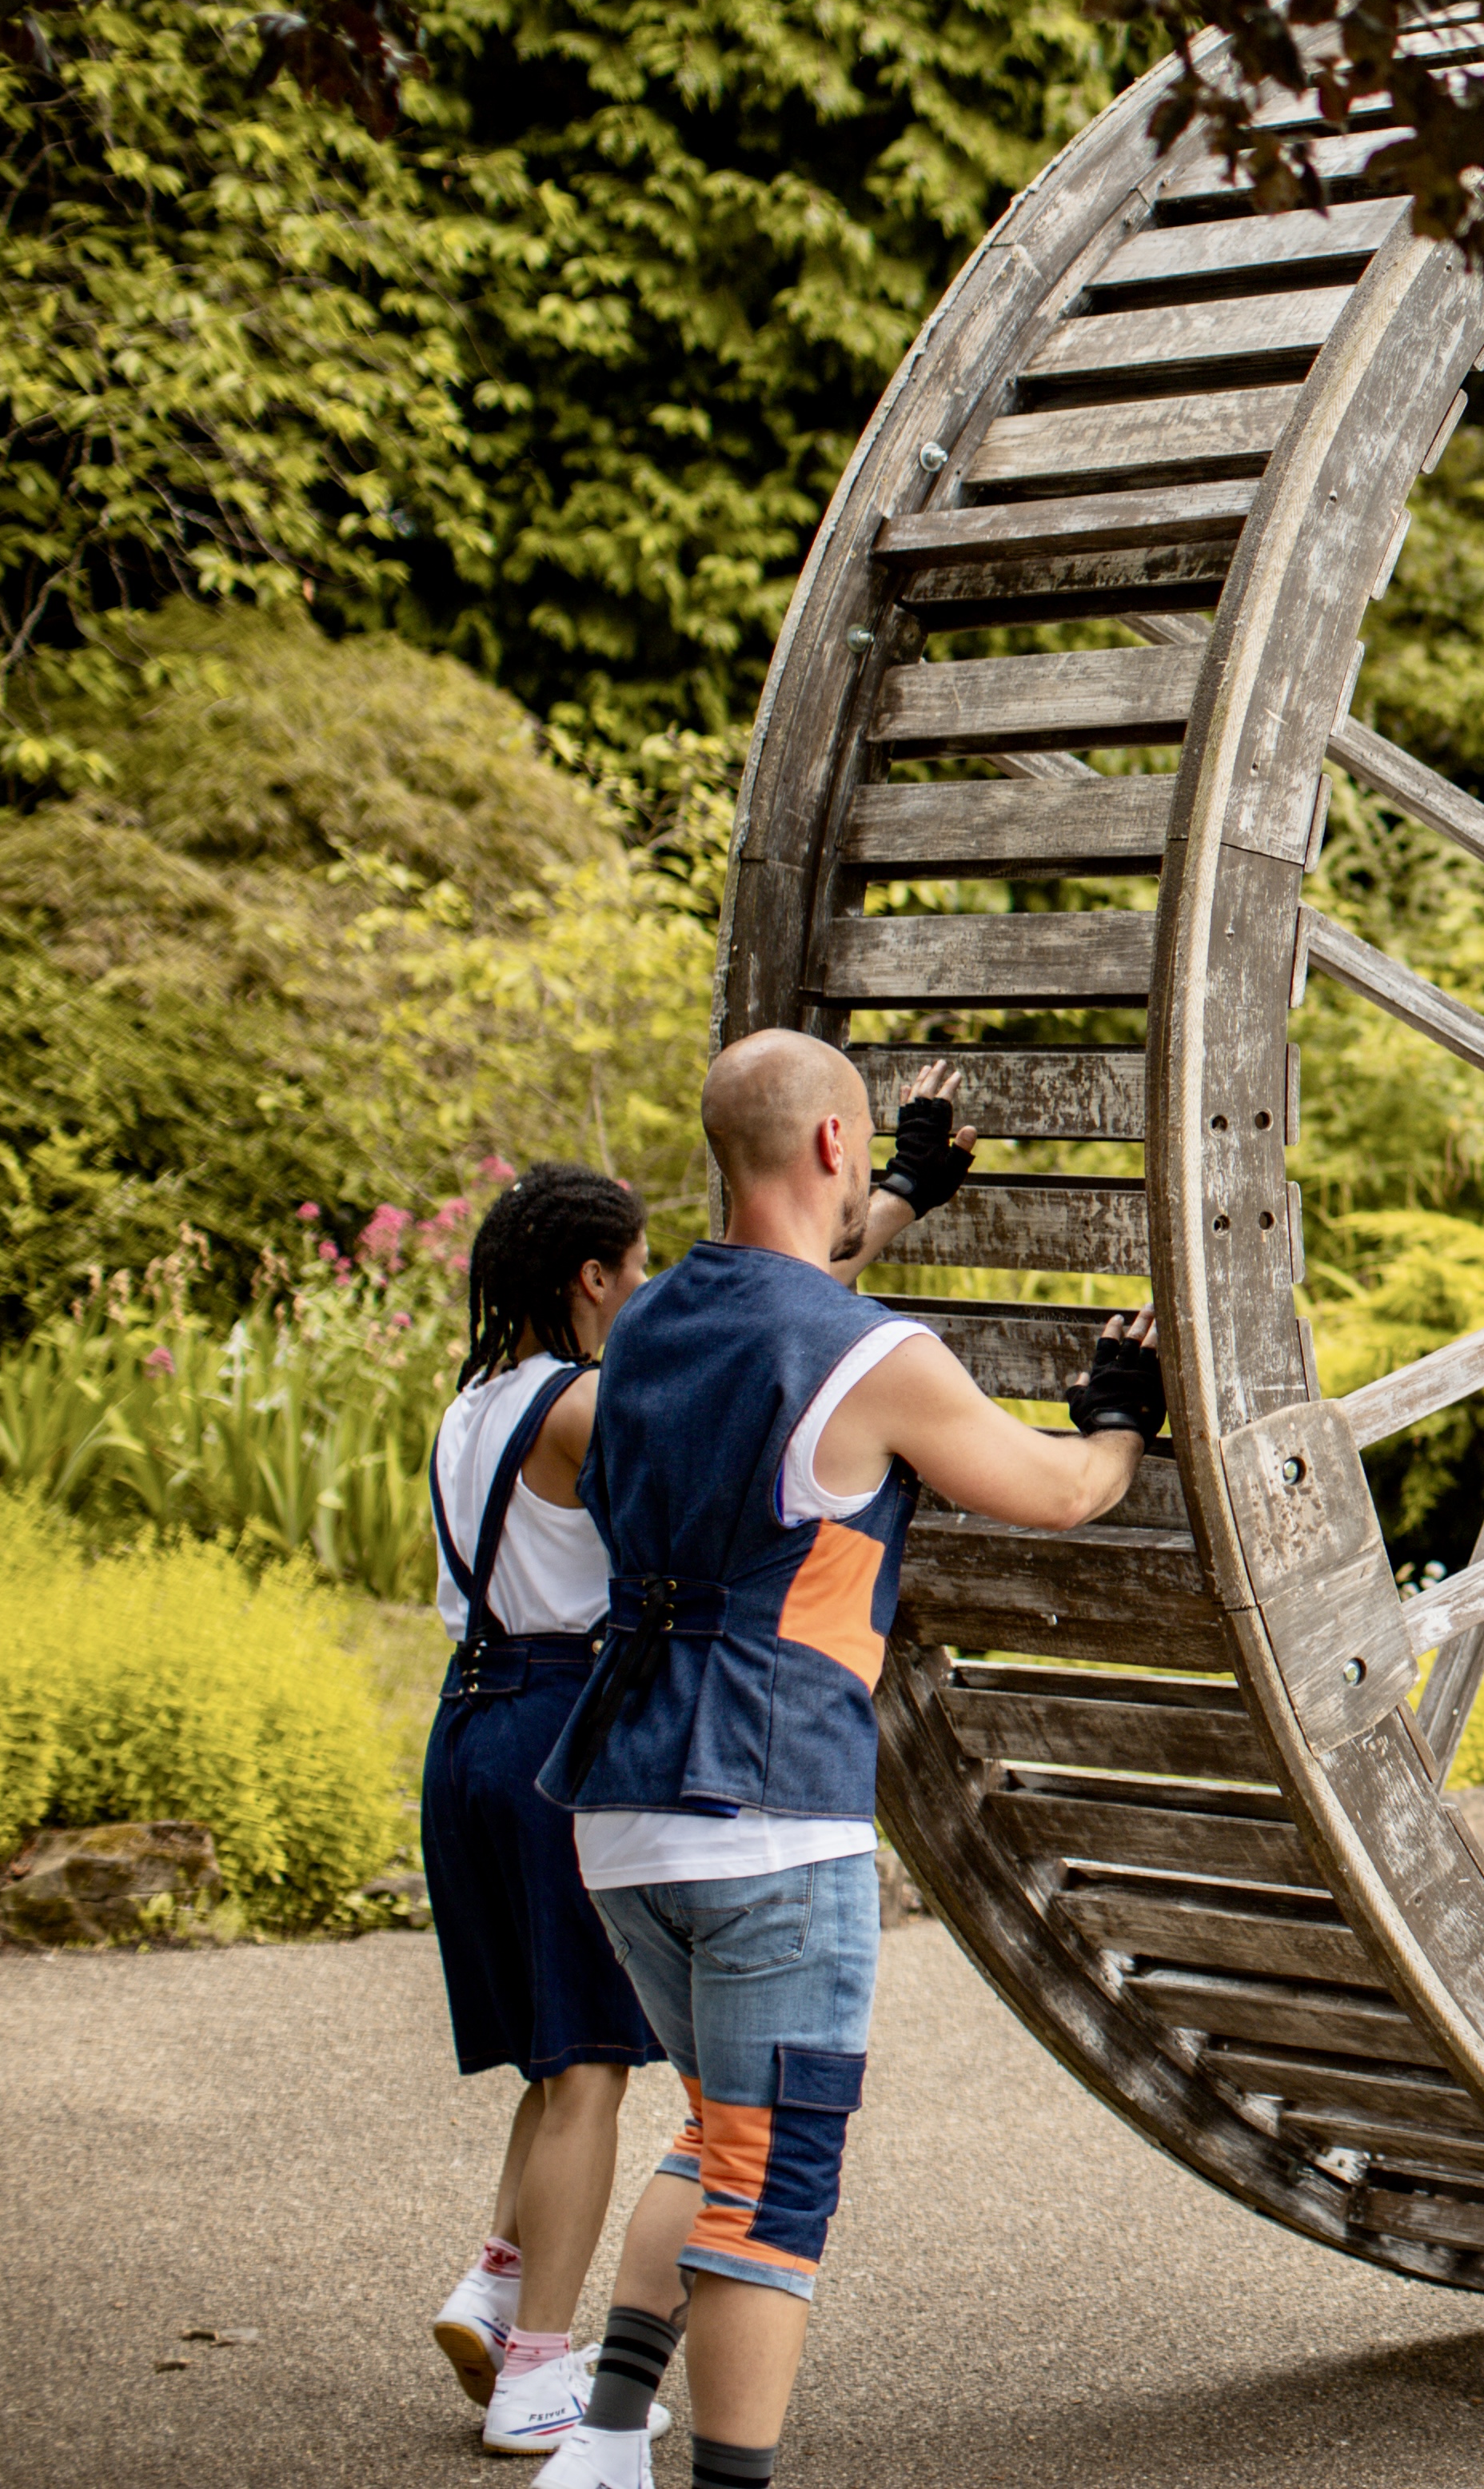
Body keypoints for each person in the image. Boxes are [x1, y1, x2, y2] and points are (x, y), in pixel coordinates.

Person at [525, 1037, 1160, 2489]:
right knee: (774, 2168)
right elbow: (1058, 1489)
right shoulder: (875, 1357)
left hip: (623, 1808)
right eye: (860, 1149)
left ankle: (608, 2440)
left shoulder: (649, 1325)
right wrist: (1120, 1413)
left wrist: (905, 1188)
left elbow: (793, 1277)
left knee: (718, 2125)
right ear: (830, 1145)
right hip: (767, 1800)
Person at [421, 1163, 669, 2458]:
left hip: (464, 1727)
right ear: (591, 1276)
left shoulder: (469, 1406)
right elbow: (681, 1523)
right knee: (592, 2062)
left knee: (554, 2045)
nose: (641, 1288)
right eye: (634, 1268)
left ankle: (495, 2280)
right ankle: (535, 2372)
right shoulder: (581, 1404)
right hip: (553, 1730)